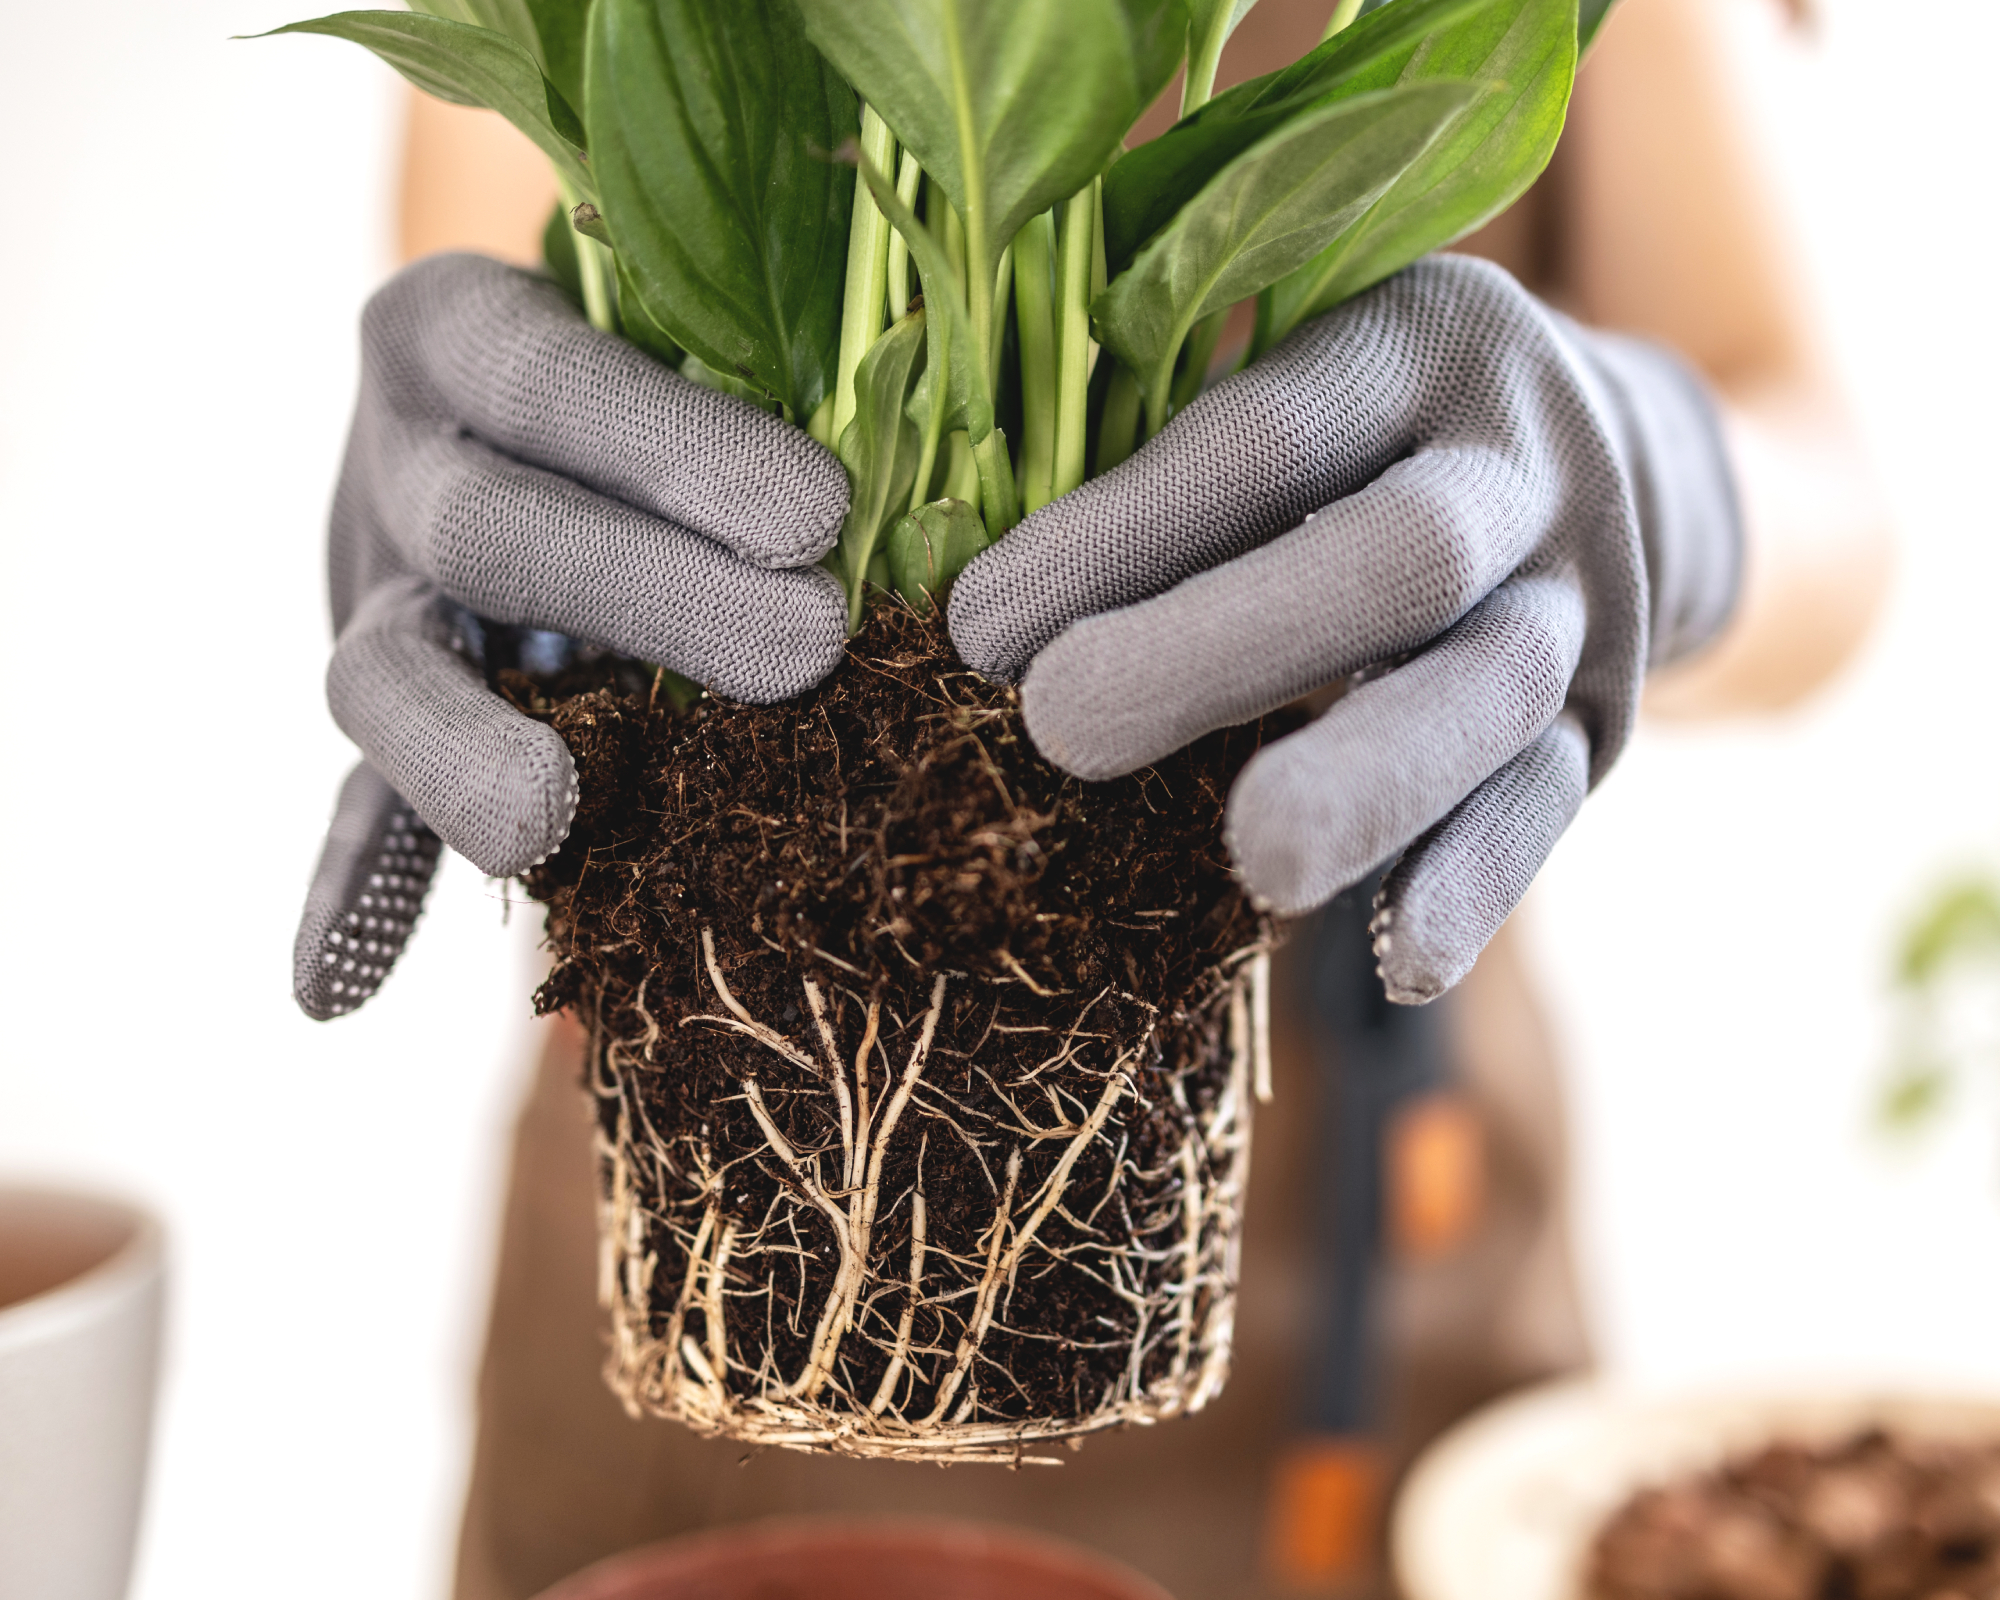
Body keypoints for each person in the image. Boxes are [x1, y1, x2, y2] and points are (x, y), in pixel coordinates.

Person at [293, 0, 1891, 1594]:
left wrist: (1642, 469)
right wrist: (478, 498)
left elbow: (1828, 485)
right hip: (727, 1179)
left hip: (1349, 1223)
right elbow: (558, 196)